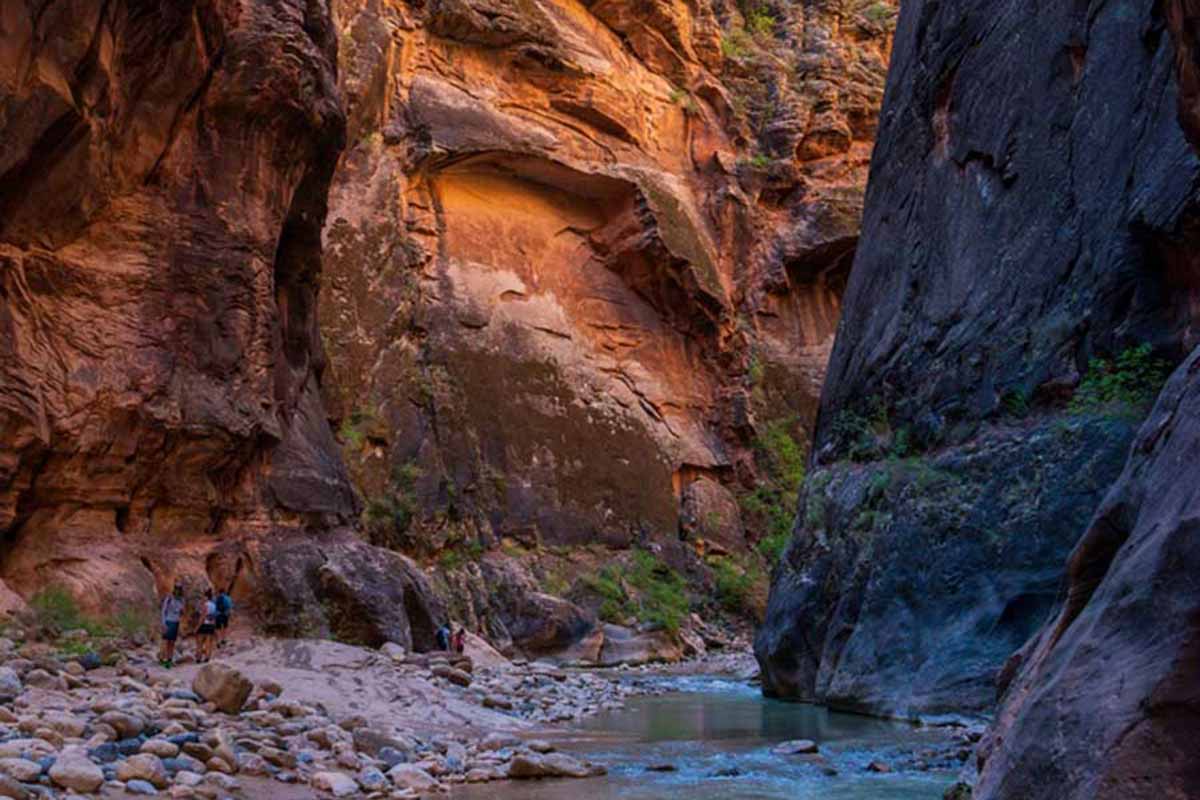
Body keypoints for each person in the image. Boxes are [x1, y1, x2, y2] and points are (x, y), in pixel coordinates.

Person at [159, 582, 185, 668]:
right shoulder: (169, 599)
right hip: (168, 621)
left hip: (176, 622)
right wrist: (163, 623)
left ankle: (169, 660)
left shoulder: (181, 600)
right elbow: (163, 610)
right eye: (177, 589)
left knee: (172, 642)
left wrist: (182, 611)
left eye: (179, 589)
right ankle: (163, 659)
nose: (178, 591)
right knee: (165, 641)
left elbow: (181, 613)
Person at [195, 588, 218, 663]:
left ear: (206, 597)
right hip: (211, 625)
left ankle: (198, 658)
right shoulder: (214, 605)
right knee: (209, 642)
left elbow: (203, 616)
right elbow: (214, 617)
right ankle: (207, 657)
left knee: (200, 642)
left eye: (204, 597)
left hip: (204, 625)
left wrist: (197, 627)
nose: (203, 598)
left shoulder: (205, 605)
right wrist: (214, 627)